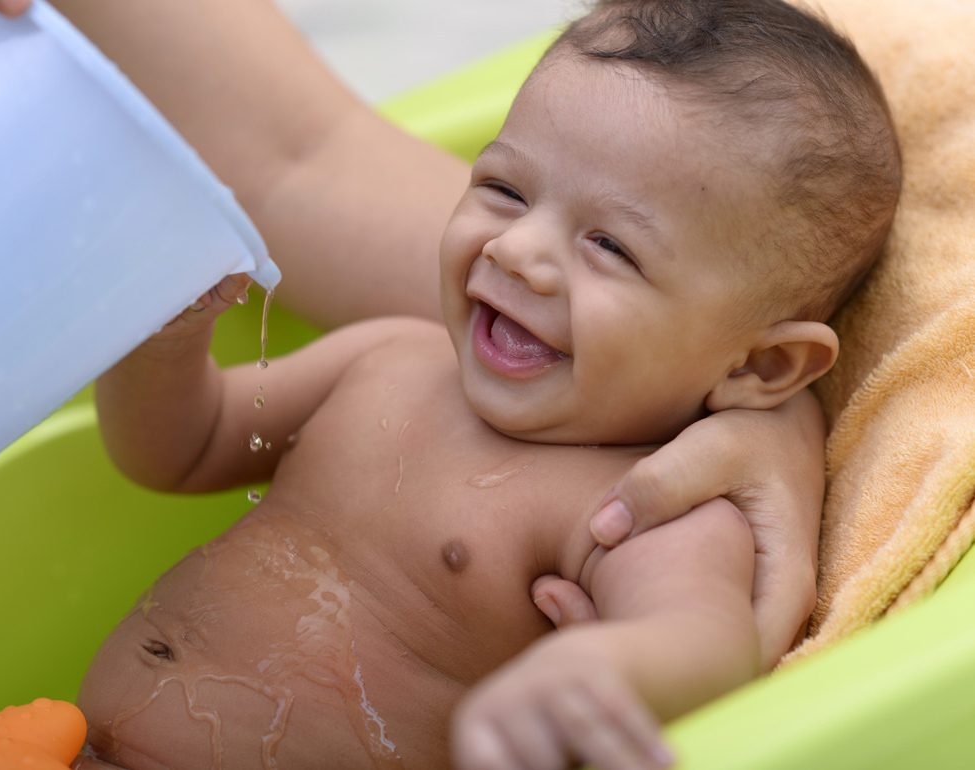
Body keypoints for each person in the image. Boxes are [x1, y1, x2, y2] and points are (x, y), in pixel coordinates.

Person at [68, 1, 901, 767]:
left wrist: (599, 668)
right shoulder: (384, 359)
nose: (516, 249)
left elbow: (705, 637)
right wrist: (164, 346)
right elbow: (185, 449)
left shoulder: (636, 506)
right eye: (502, 188)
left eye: (610, 246)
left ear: (759, 366)